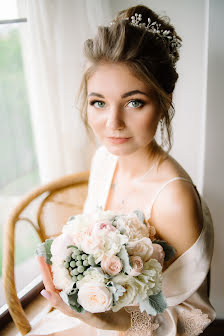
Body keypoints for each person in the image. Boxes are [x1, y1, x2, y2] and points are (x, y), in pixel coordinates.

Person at [36, 5, 216, 336]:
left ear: (164, 101)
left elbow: (190, 319)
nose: (113, 124)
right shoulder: (104, 159)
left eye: (134, 102)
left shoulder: (173, 199)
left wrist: (106, 320)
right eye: (98, 103)